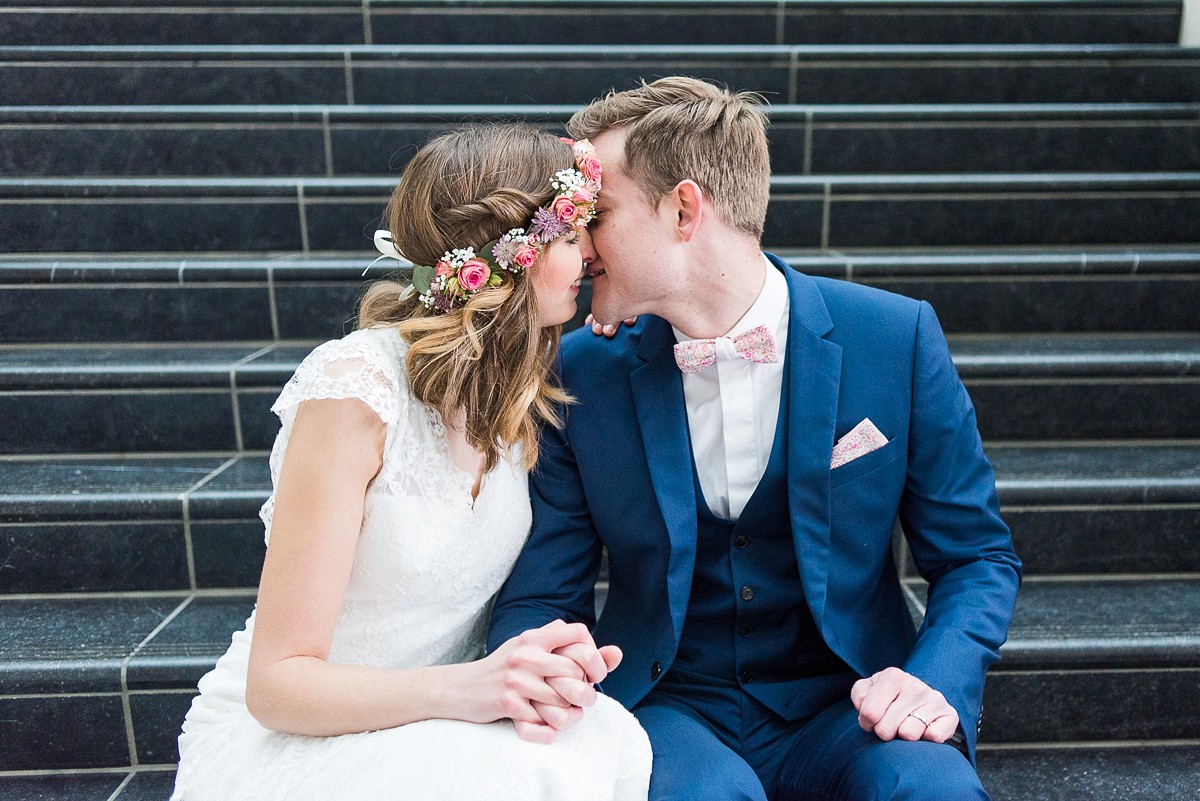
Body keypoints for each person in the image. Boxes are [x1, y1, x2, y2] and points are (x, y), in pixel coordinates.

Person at [488, 77, 1022, 800]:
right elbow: (541, 596)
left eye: (598, 214)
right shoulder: (582, 371)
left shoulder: (892, 339)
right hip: (670, 708)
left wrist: (933, 680)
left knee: (932, 792)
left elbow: (978, 555)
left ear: (684, 209)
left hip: (853, 701)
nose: (577, 246)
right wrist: (549, 675)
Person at [170, 124, 651, 801]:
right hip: (302, 735)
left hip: (440, 718)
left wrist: (541, 664)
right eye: (573, 236)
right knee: (539, 774)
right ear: (515, 254)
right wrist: (471, 686)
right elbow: (277, 683)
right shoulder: (357, 388)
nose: (592, 255)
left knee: (607, 736)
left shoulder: (515, 391)